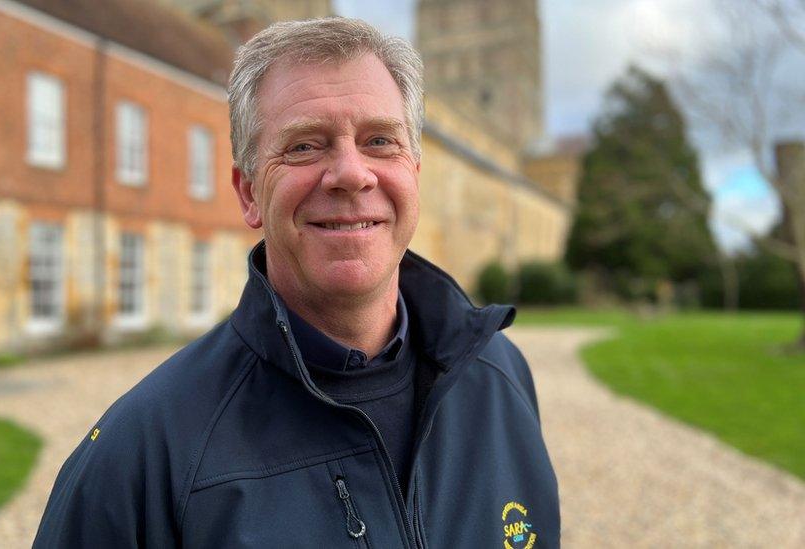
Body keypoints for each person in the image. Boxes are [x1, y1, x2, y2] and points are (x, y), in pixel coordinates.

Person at [34, 17, 558, 548]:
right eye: (305, 146)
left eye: (379, 140)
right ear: (248, 193)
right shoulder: (142, 454)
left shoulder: (499, 373)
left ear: (414, 173)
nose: (352, 173)